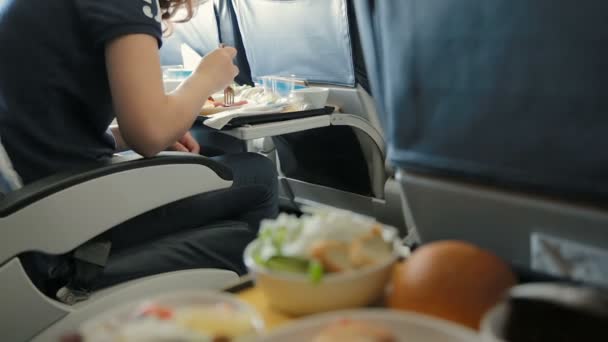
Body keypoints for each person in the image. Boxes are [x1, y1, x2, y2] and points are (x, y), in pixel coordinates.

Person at [0, 0, 278, 293]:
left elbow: (50, 121)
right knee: (258, 175)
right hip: (65, 216)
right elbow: (150, 134)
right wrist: (207, 77)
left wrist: (120, 136)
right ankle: (262, 301)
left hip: (32, 195)